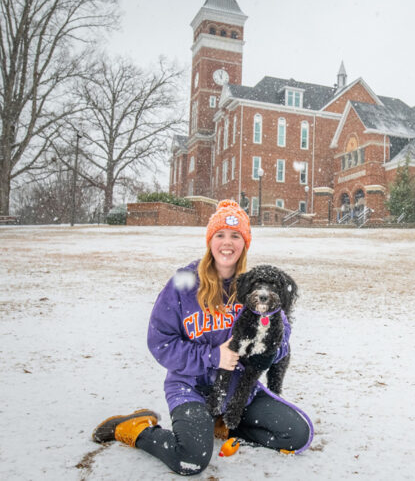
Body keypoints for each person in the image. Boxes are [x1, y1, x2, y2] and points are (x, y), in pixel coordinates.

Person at [92, 200, 311, 475]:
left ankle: (223, 422)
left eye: (235, 236)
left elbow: (282, 333)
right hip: (190, 386)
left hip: (235, 389)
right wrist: (212, 356)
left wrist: (269, 352)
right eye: (220, 235)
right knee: (192, 459)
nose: (227, 243)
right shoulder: (184, 281)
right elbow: (160, 341)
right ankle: (134, 429)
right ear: (210, 240)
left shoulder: (253, 285)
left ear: (245, 243)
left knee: (295, 435)